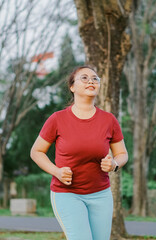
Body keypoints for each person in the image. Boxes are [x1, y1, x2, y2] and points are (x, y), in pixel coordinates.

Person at [30, 65, 128, 240]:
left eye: (95, 78)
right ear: (72, 86)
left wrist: (114, 164)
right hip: (67, 194)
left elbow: (122, 154)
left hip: (101, 195)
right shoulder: (57, 119)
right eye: (84, 77)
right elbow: (36, 151)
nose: (91, 80)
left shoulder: (109, 120)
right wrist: (57, 172)